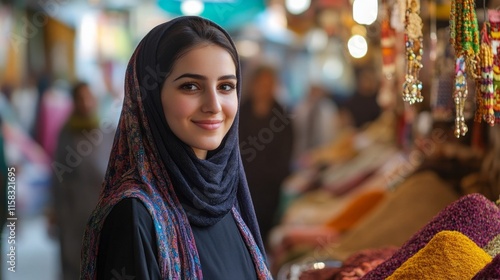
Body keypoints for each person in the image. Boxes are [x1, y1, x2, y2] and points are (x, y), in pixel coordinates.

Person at [80, 16, 271, 279]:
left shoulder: (225, 196)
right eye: (190, 86)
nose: (214, 105)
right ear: (150, 98)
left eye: (226, 86)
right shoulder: (135, 216)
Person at [51, 82, 112, 280]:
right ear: (74, 102)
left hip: (101, 210)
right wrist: (54, 211)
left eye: (89, 97)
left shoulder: (106, 131)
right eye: (81, 98)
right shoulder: (67, 134)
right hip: (73, 212)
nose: (86, 102)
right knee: (74, 262)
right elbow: (58, 176)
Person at [238, 64, 294, 248]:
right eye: (261, 83)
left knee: (266, 227)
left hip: (271, 184)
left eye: (269, 83)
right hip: (244, 182)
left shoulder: (282, 116)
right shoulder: (240, 113)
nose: (264, 87)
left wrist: (276, 174)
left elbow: (287, 150)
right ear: (253, 85)